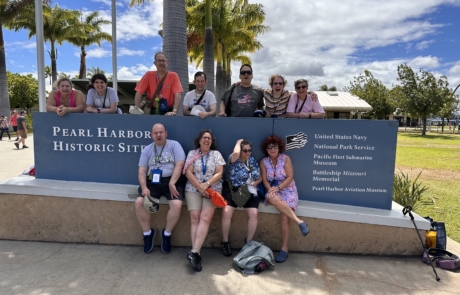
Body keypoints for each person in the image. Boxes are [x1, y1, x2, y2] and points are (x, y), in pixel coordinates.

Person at [135, 123, 186, 255]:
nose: (159, 135)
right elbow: (142, 170)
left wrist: (172, 182)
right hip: (152, 182)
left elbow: (180, 165)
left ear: (166, 133)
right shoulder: (147, 149)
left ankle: (167, 234)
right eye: (155, 133)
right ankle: (148, 234)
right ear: (151, 135)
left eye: (161, 132)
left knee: (177, 205)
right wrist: (144, 187)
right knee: (139, 203)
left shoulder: (174, 145)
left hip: (172, 181)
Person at [260, 135, 309, 263]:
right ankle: (300, 222)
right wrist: (270, 188)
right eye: (269, 147)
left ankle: (284, 249)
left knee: (284, 216)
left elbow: (290, 177)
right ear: (266, 149)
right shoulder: (264, 161)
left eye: (275, 146)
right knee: (271, 198)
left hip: (288, 189)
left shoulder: (285, 158)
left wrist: (278, 188)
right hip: (273, 190)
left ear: (279, 147)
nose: (272, 149)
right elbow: (265, 180)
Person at [183, 129, 225, 271]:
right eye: (204, 138)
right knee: (195, 217)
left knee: (205, 217)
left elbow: (219, 172)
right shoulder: (192, 154)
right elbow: (188, 172)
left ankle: (194, 251)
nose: (206, 140)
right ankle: (197, 254)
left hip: (212, 189)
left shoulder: (216, 154)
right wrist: (199, 187)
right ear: (199, 140)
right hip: (193, 188)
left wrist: (206, 185)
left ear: (211, 141)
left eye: (209, 138)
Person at [221, 139, 262, 257]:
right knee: (226, 212)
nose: (248, 153)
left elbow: (259, 177)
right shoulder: (233, 159)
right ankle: (225, 241)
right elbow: (235, 154)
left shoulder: (252, 160)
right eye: (245, 150)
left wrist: (256, 182)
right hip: (233, 190)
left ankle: (248, 243)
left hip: (249, 191)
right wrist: (238, 142)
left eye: (249, 150)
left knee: (254, 213)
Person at [130, 52, 183, 116]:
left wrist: (174, 111)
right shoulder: (148, 75)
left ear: (167, 63)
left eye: (163, 61)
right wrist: (137, 109)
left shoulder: (173, 75)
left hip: (169, 111)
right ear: (155, 63)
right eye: (159, 61)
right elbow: (139, 92)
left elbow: (178, 94)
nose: (161, 63)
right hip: (152, 110)